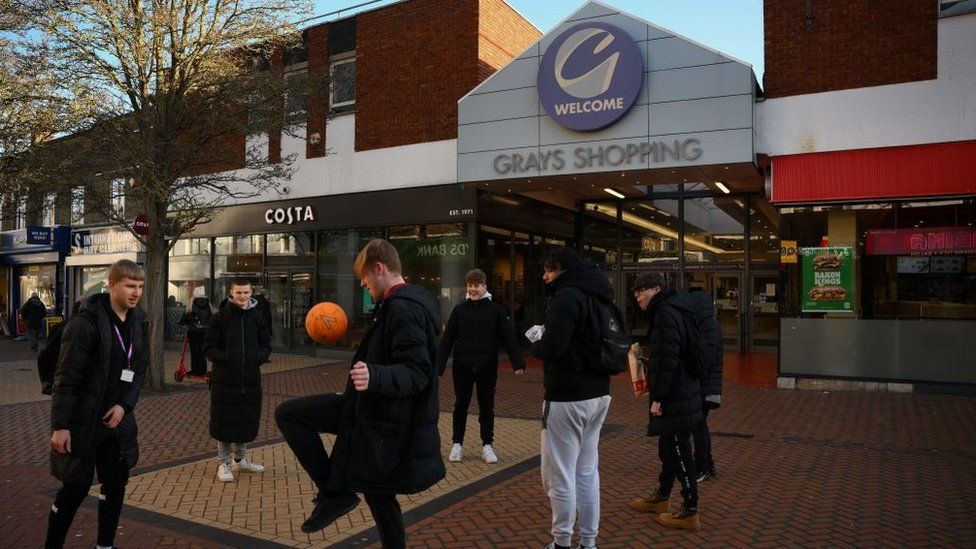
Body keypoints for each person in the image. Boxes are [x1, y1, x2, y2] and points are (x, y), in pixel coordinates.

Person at [275, 239, 444, 548]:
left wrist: (375, 375)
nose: (363, 284)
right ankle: (335, 495)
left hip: (381, 419)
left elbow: (419, 371)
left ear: (380, 268)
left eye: (364, 277)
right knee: (379, 496)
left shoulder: (403, 308)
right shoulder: (398, 304)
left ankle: (335, 495)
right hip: (373, 412)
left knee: (289, 414)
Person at [46, 260, 149, 549]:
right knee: (75, 488)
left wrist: (124, 406)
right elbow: (66, 378)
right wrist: (61, 426)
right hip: (82, 423)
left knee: (115, 484)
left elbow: (139, 369)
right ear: (112, 284)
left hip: (116, 423)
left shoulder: (139, 320)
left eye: (140, 287)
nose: (136, 292)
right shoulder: (85, 323)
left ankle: (105, 545)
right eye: (130, 285)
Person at [529, 248, 612, 549]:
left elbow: (553, 348)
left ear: (561, 269)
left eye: (548, 270)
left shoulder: (566, 297)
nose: (545, 277)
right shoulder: (599, 295)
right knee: (587, 473)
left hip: (567, 396)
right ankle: (588, 542)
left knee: (560, 475)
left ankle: (562, 541)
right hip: (599, 393)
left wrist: (537, 340)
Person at [629, 272, 703, 531]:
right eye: (635, 290)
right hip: (683, 387)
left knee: (679, 449)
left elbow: (669, 357)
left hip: (674, 393)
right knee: (669, 447)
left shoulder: (665, 314)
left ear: (657, 289)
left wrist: (658, 397)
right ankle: (661, 495)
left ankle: (690, 510)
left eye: (641, 290)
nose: (637, 295)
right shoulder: (676, 309)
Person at [437, 268, 525, 464]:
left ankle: (487, 445)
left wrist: (517, 362)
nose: (473, 289)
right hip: (462, 367)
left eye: (476, 285)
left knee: (487, 408)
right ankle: (457, 445)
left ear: (484, 286)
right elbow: (447, 341)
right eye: (470, 286)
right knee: (460, 406)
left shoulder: (496, 311)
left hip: (486, 367)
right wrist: (438, 367)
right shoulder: (459, 311)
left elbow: (509, 337)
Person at [204, 278, 271, 482]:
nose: (242, 296)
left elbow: (266, 343)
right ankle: (223, 463)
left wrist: (258, 357)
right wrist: (227, 358)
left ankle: (240, 460)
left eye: (246, 292)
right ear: (231, 293)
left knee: (245, 418)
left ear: (252, 293)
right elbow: (209, 348)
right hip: (225, 380)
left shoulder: (257, 317)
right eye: (238, 292)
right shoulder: (220, 318)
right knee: (225, 421)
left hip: (249, 379)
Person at [180, 286, 213, 377]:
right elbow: (211, 317)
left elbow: (186, 317)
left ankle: (195, 370)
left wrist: (181, 322)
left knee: (194, 351)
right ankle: (203, 370)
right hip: (205, 331)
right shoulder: (208, 304)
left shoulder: (192, 303)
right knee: (202, 351)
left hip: (193, 331)